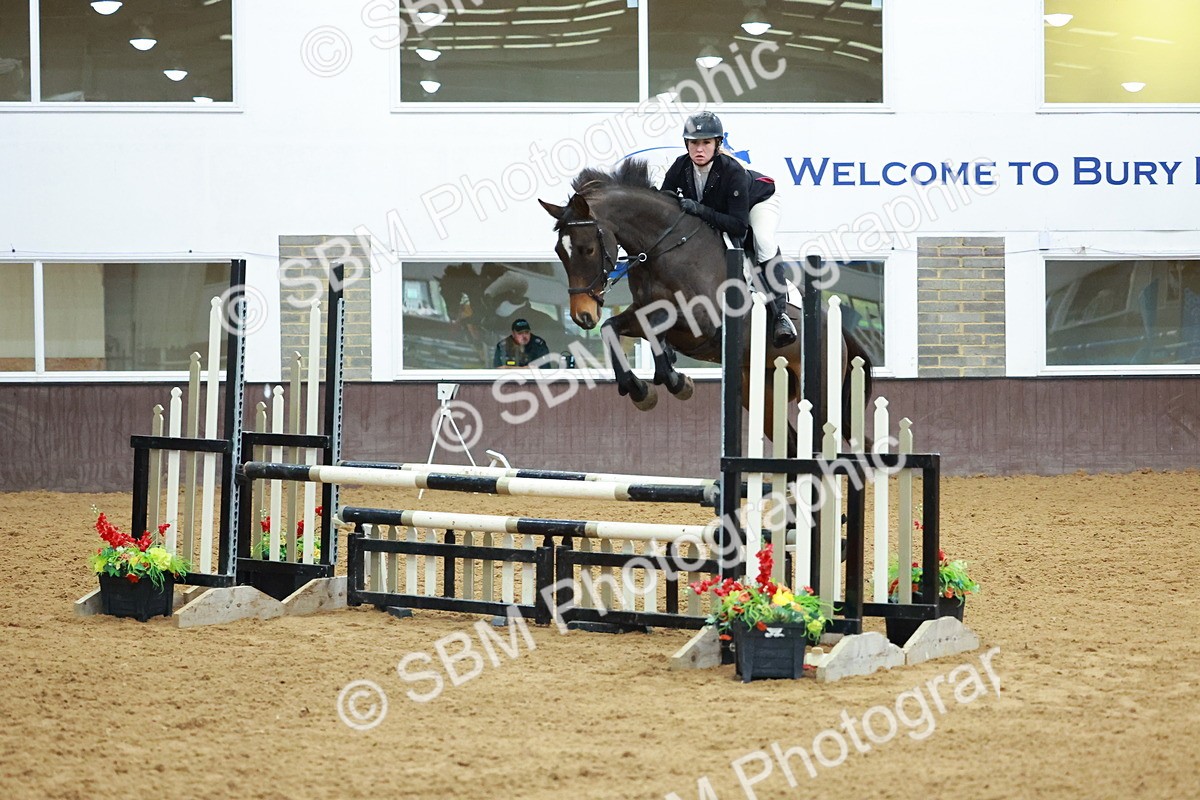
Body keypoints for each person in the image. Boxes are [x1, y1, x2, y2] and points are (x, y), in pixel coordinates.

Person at [659, 110, 797, 348]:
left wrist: (699, 210)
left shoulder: (732, 170)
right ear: (686, 144)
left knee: (762, 241)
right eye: (693, 143)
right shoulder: (681, 166)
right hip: (725, 211)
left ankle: (781, 315)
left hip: (758, 203)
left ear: (717, 144)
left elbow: (738, 226)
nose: (699, 149)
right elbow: (665, 199)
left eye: (706, 143)